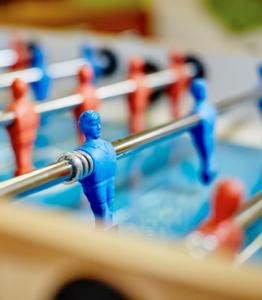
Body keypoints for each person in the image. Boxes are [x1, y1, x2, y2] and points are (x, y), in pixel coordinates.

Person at [78, 110, 117, 226]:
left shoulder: (107, 145)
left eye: (99, 123)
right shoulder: (84, 153)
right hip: (97, 185)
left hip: (109, 181)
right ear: (85, 127)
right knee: (102, 212)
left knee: (109, 211)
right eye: (94, 124)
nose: (99, 127)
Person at [6, 78, 39, 176]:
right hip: (29, 136)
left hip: (20, 138)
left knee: (22, 160)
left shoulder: (13, 108)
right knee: (26, 156)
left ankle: (23, 169)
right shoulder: (30, 106)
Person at [189, 79, 217, 184]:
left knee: (207, 156)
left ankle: (208, 169)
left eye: (201, 89)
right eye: (198, 89)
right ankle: (208, 168)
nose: (200, 92)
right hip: (202, 135)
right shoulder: (202, 109)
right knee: (207, 156)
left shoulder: (203, 109)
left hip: (205, 136)